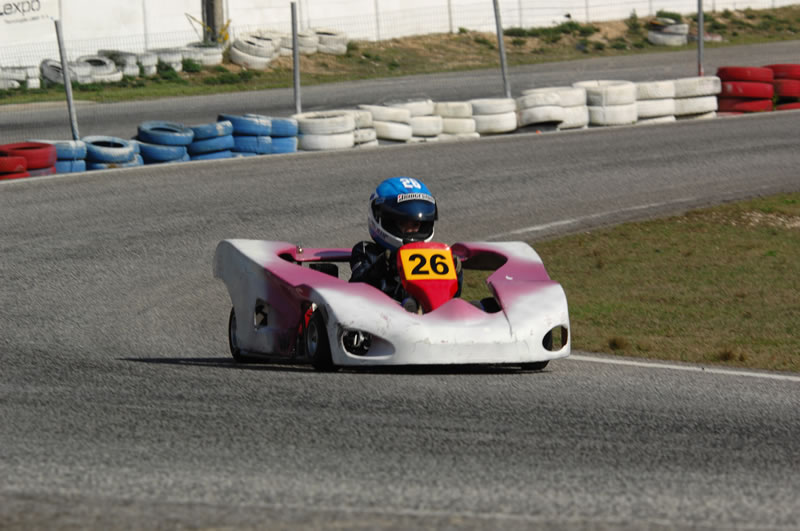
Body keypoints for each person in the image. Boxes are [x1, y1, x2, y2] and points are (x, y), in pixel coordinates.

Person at [350, 176, 462, 311]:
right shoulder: (366, 251)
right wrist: (382, 266)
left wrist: (456, 272)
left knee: (477, 306)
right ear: (381, 218)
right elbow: (356, 287)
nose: (410, 230)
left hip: (431, 317)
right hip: (380, 315)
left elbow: (451, 296)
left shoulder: (432, 256)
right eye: (402, 223)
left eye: (416, 224)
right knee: (408, 306)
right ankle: (411, 307)